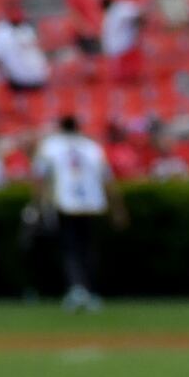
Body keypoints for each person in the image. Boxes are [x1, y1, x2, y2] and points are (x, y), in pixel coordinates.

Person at [33, 110, 116, 311]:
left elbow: (39, 176)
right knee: (88, 248)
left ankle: (77, 288)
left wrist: (39, 204)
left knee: (70, 248)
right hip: (91, 203)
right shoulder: (91, 146)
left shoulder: (51, 145)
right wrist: (116, 208)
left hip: (66, 202)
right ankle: (89, 290)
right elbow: (107, 178)